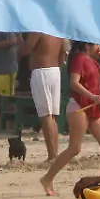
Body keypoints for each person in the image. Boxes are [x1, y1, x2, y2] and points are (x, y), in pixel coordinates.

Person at [40, 42, 100, 196]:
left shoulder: (92, 60)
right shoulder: (79, 59)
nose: (99, 47)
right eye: (96, 45)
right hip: (80, 106)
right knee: (74, 148)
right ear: (87, 46)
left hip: (93, 107)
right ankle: (47, 178)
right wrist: (93, 96)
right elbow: (74, 82)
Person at [23, 33, 67, 162]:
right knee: (52, 115)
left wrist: (19, 40)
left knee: (46, 115)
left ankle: (52, 155)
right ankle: (54, 154)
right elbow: (64, 52)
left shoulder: (38, 30)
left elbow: (25, 50)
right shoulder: (56, 31)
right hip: (55, 70)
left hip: (41, 71)